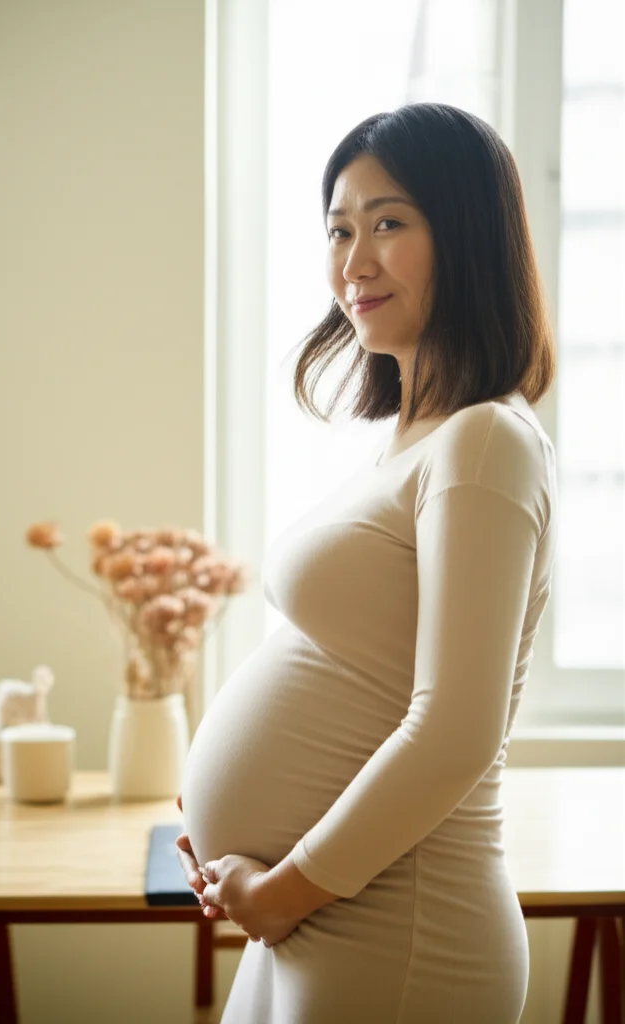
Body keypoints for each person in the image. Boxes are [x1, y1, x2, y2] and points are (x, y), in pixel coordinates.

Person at [175, 102, 558, 1023]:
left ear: (467, 234)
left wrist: (286, 887)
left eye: (389, 222)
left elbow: (455, 732)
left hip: (397, 931)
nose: (354, 262)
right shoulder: (417, 440)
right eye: (339, 230)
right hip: (321, 921)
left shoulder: (485, 443)